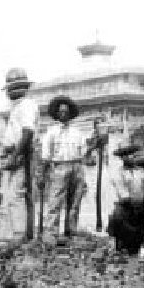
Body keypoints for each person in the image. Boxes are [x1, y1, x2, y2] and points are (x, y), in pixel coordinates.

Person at [40, 95, 96, 239]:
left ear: (70, 114)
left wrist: (93, 146)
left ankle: (71, 231)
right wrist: (42, 174)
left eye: (66, 111)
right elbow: (46, 155)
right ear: (57, 114)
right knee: (55, 202)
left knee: (75, 202)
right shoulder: (51, 132)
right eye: (61, 112)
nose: (64, 114)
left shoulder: (77, 132)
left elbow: (84, 152)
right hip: (59, 167)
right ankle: (51, 234)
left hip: (77, 167)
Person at [2, 68, 39, 240]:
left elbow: (27, 133)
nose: (9, 92)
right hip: (16, 152)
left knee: (16, 195)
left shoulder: (26, 105)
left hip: (22, 153)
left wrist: (16, 155)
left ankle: (20, 235)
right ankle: (22, 234)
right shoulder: (17, 107)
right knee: (16, 195)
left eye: (12, 88)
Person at [107, 145, 144, 254]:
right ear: (123, 158)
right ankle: (121, 248)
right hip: (126, 205)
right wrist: (129, 201)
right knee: (119, 221)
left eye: (132, 155)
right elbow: (122, 191)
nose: (131, 158)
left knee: (139, 230)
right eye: (127, 156)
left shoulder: (141, 171)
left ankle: (136, 249)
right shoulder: (118, 172)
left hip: (140, 204)